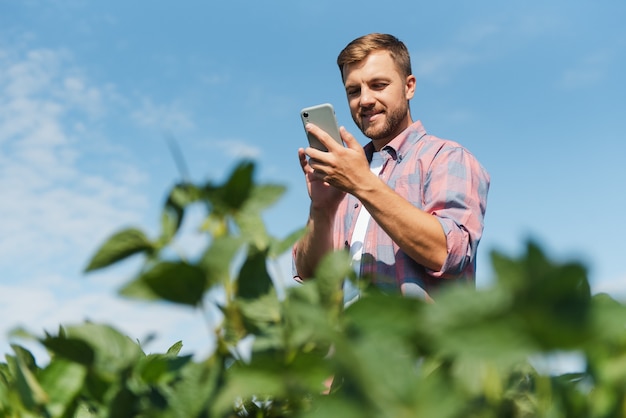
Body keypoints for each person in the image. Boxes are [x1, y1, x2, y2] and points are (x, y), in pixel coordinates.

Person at [293, 33, 490, 303]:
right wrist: (322, 209)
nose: (364, 100)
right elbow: (310, 275)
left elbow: (448, 253)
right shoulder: (342, 174)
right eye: (353, 91)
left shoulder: (447, 158)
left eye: (378, 85)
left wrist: (362, 183)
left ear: (409, 87)